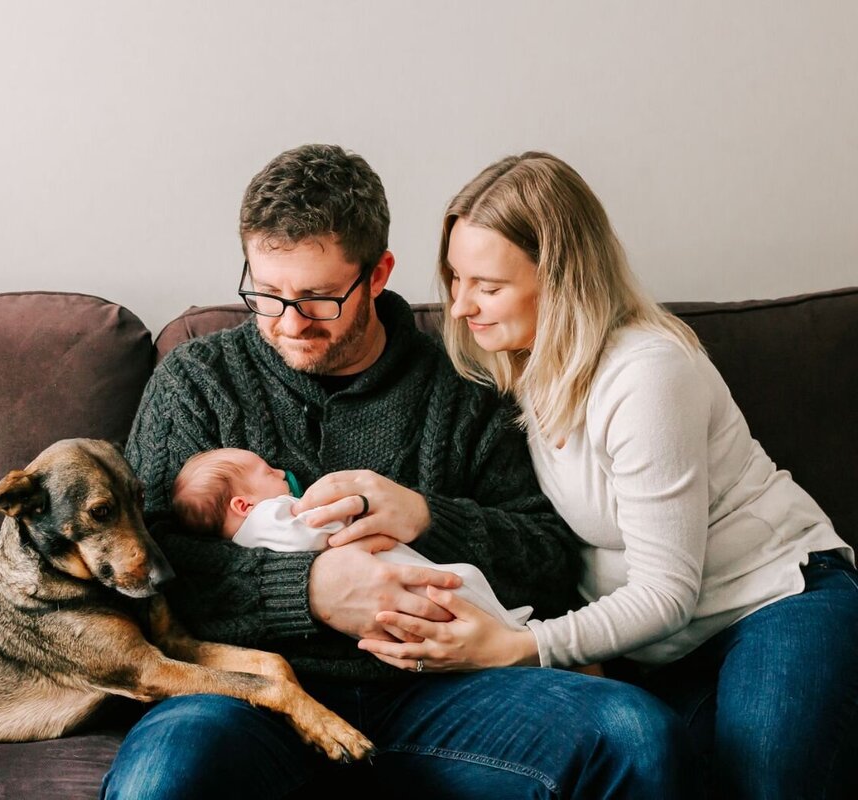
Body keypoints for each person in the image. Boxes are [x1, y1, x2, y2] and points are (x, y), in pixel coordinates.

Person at [103, 144, 698, 799]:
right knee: (163, 775)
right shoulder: (197, 382)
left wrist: (429, 516)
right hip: (253, 698)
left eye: (320, 299)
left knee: (637, 735)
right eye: (267, 296)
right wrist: (309, 589)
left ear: (378, 273)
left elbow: (551, 562)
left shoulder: (468, 383)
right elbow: (143, 579)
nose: (289, 324)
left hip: (446, 692)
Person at [355, 150, 858, 798]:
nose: (458, 307)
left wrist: (521, 645)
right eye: (455, 277)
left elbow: (668, 591)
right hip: (668, 649)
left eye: (487, 285)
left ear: (561, 279)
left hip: (776, 599)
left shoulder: (647, 374)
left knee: (765, 779)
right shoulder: (519, 366)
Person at [172, 447, 531, 630]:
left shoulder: (253, 532)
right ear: (242, 504)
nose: (281, 471)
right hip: (391, 577)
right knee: (462, 579)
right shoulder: (268, 516)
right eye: (268, 471)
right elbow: (312, 529)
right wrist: (347, 511)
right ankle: (509, 627)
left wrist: (422, 513)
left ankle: (505, 625)